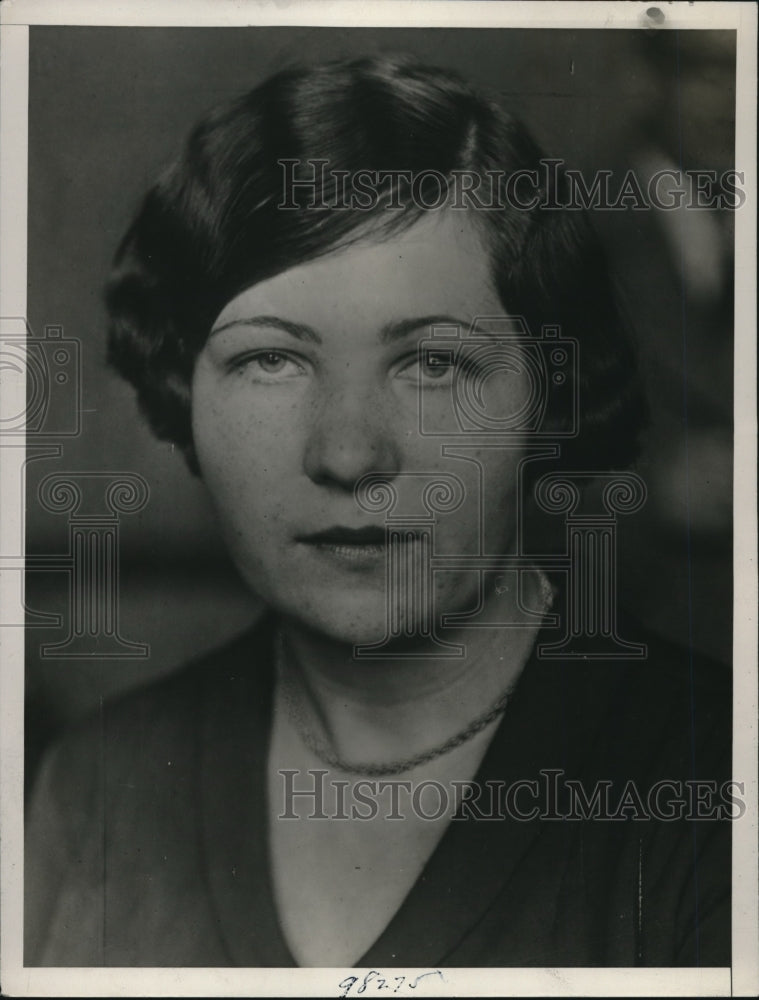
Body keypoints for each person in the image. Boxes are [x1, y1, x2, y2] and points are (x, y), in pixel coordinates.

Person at [25, 55, 731, 968]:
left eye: (433, 363)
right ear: (181, 394)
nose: (348, 454)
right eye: (270, 360)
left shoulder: (710, 783)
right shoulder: (96, 788)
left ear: (548, 401)